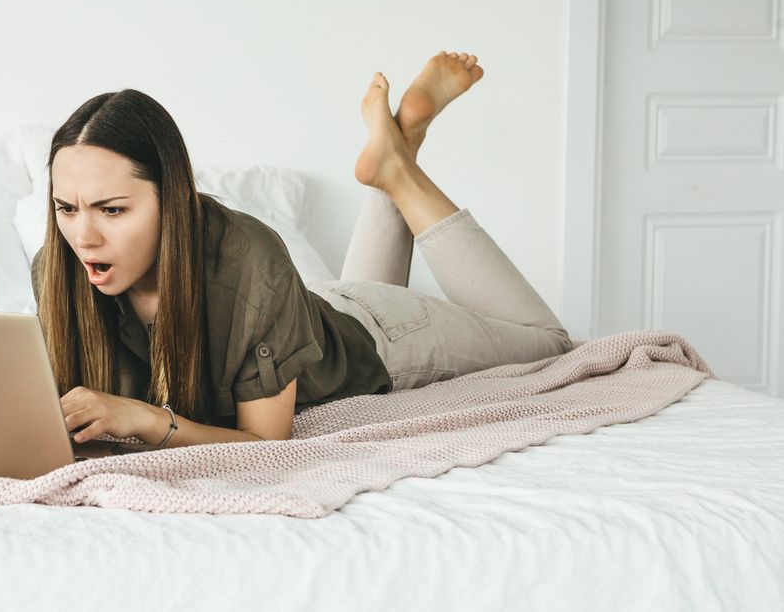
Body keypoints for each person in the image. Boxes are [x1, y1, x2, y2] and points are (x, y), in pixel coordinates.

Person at [30, 51, 574, 449]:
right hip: (309, 311)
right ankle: (397, 148)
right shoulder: (58, 268)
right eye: (66, 209)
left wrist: (146, 420)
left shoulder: (250, 260)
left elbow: (267, 443)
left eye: (112, 210)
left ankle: (403, 174)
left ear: (171, 198)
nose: (84, 237)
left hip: (384, 335)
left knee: (550, 344)